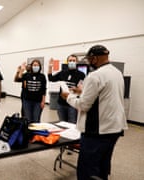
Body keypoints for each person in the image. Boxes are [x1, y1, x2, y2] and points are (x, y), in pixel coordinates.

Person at [61, 45, 128, 180]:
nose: (88, 62)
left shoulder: (94, 76)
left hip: (97, 131)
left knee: (88, 169)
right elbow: (105, 95)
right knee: (103, 164)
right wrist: (83, 92)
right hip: (115, 128)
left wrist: (68, 96)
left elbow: (83, 105)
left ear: (95, 58)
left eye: (89, 59)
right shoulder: (117, 73)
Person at [48, 55, 85, 123]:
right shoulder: (63, 72)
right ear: (67, 62)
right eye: (70, 60)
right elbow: (51, 78)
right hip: (61, 103)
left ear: (77, 62)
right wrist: (50, 67)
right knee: (62, 123)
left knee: (72, 124)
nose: (72, 62)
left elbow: (82, 90)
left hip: (73, 104)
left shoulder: (81, 74)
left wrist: (77, 90)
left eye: (74, 60)